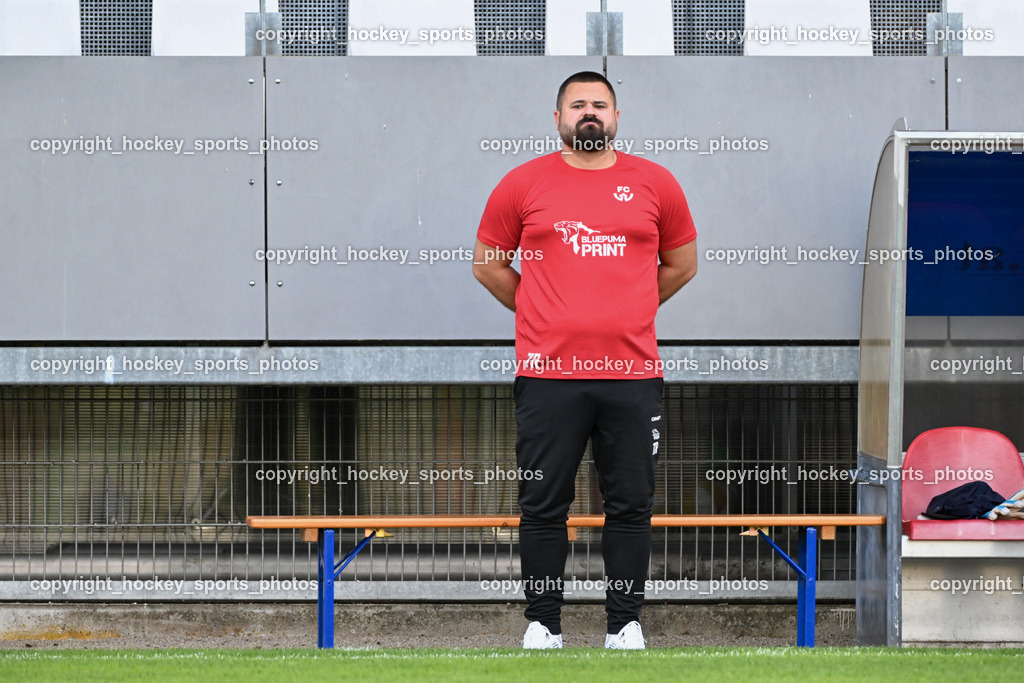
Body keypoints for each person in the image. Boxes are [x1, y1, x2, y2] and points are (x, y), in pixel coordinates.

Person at [473, 71, 697, 649]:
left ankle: (624, 625)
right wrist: (540, 310)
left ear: (617, 117)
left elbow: (682, 264)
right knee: (543, 504)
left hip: (632, 375)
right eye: (578, 105)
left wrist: (630, 306)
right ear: (558, 119)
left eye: (600, 104)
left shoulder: (655, 183)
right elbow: (488, 264)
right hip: (548, 376)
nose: (589, 113)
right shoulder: (521, 184)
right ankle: (543, 623)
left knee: (630, 505)